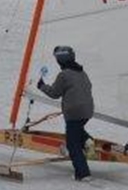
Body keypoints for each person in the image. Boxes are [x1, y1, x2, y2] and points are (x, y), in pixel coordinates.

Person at [34, 45, 95, 181]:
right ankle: (87, 141)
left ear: (61, 60)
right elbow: (88, 87)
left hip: (74, 112)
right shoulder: (82, 72)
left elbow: (55, 93)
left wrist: (42, 86)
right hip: (88, 110)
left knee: (72, 144)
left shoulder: (64, 75)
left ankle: (83, 173)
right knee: (77, 129)